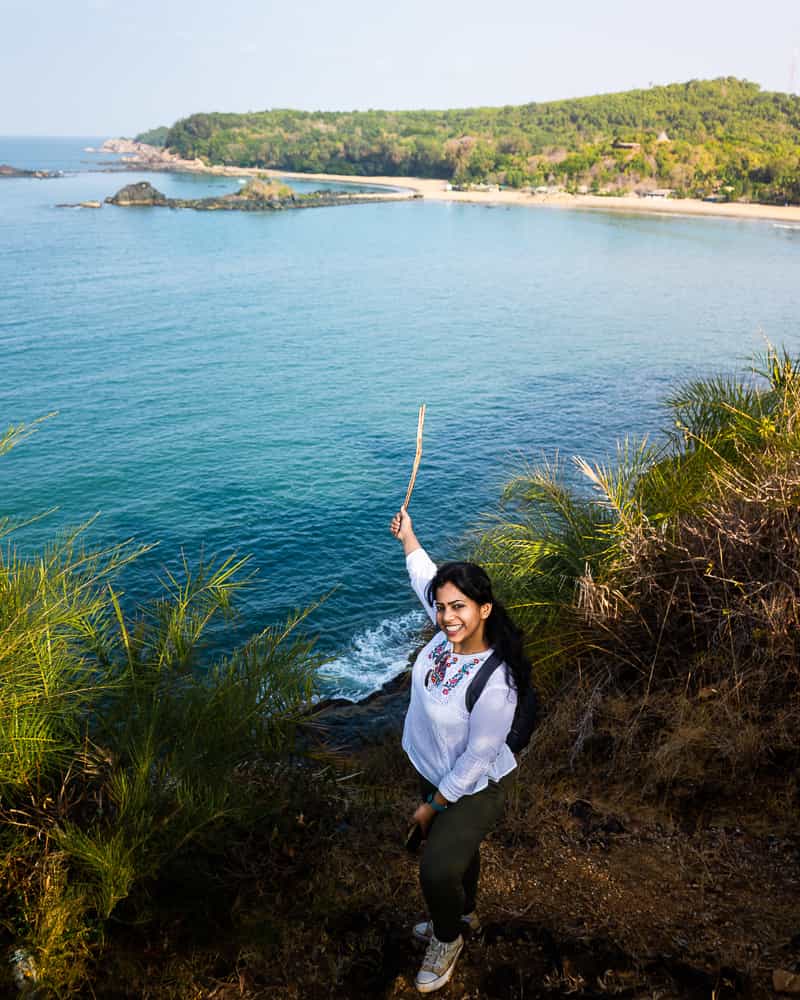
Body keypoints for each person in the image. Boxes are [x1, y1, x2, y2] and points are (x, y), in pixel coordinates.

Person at [389, 506, 531, 994]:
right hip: (432, 767)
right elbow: (425, 577)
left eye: (459, 607)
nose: (447, 617)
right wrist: (409, 537)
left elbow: (474, 760)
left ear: (483, 610)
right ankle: (464, 914)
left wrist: (431, 807)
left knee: (434, 869)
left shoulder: (497, 682)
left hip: (474, 786)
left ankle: (447, 938)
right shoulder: (448, 630)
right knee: (458, 858)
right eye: (443, 607)